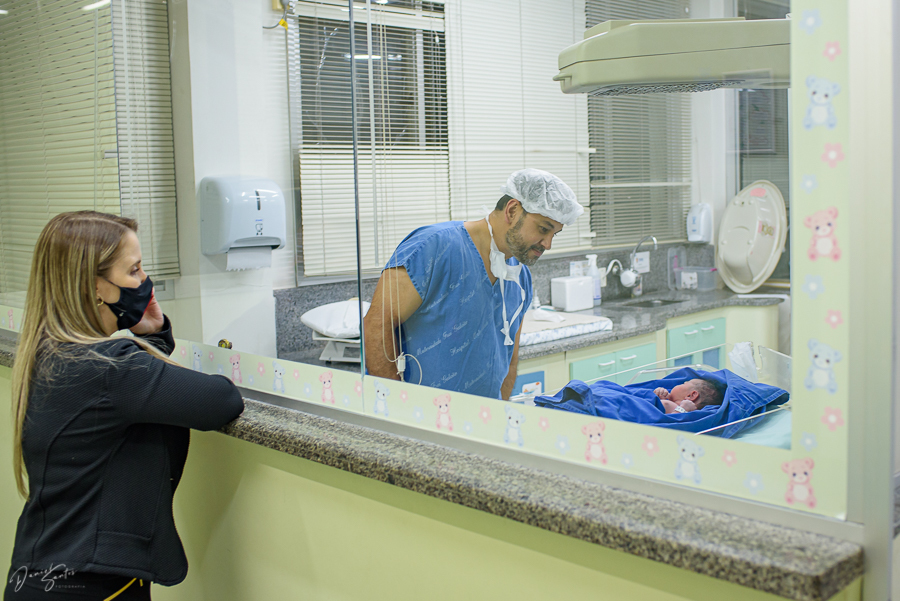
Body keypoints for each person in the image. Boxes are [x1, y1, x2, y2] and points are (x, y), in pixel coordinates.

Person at [5, 212, 245, 600]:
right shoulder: (109, 370)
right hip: (90, 585)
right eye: (134, 270)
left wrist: (154, 335)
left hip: (41, 574)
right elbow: (221, 400)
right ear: (95, 287)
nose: (145, 281)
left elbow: (132, 396)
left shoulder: (52, 353)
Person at [364, 168, 583, 400]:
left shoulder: (520, 277)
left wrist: (500, 410)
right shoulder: (433, 247)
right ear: (512, 210)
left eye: (554, 234)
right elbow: (376, 326)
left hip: (483, 417)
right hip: (420, 413)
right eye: (543, 229)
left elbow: (509, 358)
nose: (547, 244)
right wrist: (396, 406)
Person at [654, 378, 725, 414]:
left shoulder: (678, 410)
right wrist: (658, 396)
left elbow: (667, 424)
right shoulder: (669, 404)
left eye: (683, 384)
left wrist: (681, 410)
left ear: (691, 395)